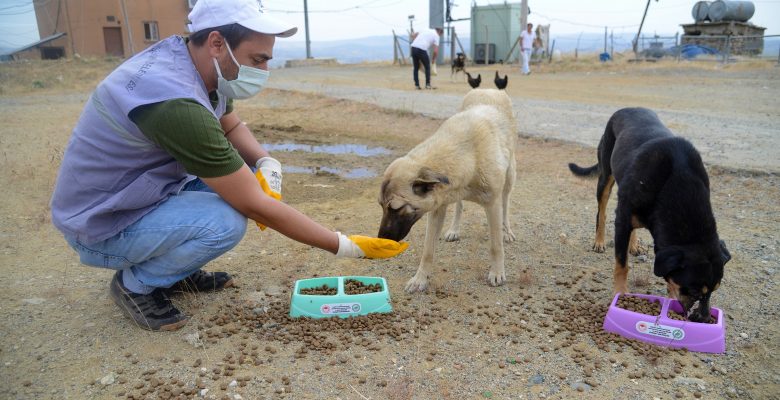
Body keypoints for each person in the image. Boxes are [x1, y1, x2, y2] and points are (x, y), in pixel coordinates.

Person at [49, 0, 408, 332]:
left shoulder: (196, 63)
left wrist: (265, 160)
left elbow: (230, 125)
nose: (265, 70)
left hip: (138, 194)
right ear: (218, 42)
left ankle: (174, 272)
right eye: (258, 59)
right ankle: (136, 285)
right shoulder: (174, 102)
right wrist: (344, 245)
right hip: (101, 225)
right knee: (226, 221)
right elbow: (254, 204)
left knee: (235, 190)